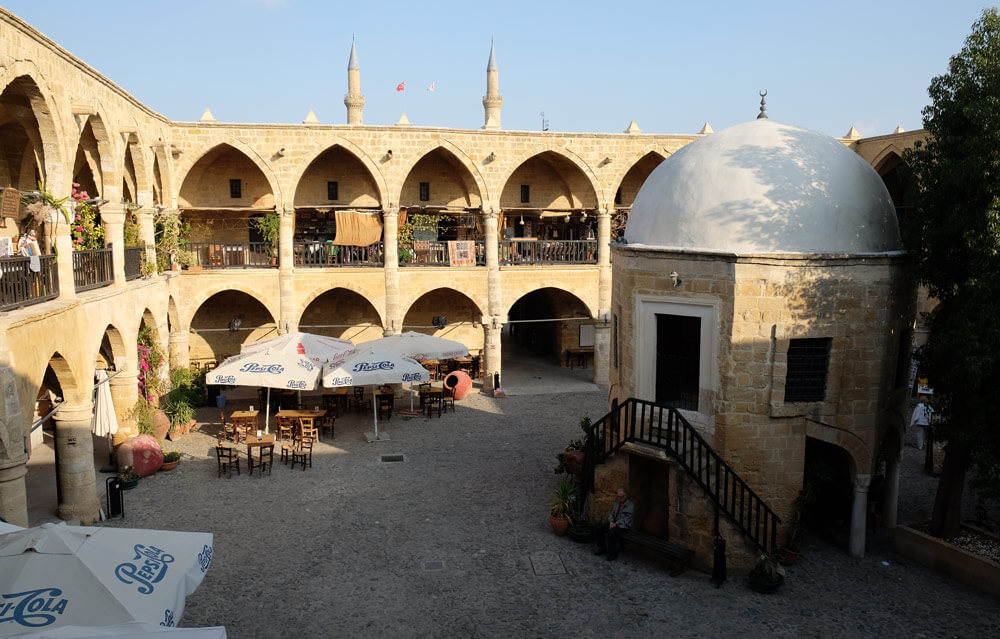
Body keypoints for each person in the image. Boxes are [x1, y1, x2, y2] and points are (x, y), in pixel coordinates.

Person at [594, 487, 634, 561]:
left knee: (612, 533)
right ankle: (603, 547)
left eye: (621, 497)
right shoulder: (617, 502)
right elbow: (612, 513)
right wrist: (611, 521)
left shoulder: (630, 505)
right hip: (614, 522)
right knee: (600, 529)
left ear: (626, 496)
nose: (619, 498)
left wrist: (616, 523)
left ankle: (613, 554)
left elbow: (627, 519)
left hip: (623, 525)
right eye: (618, 496)